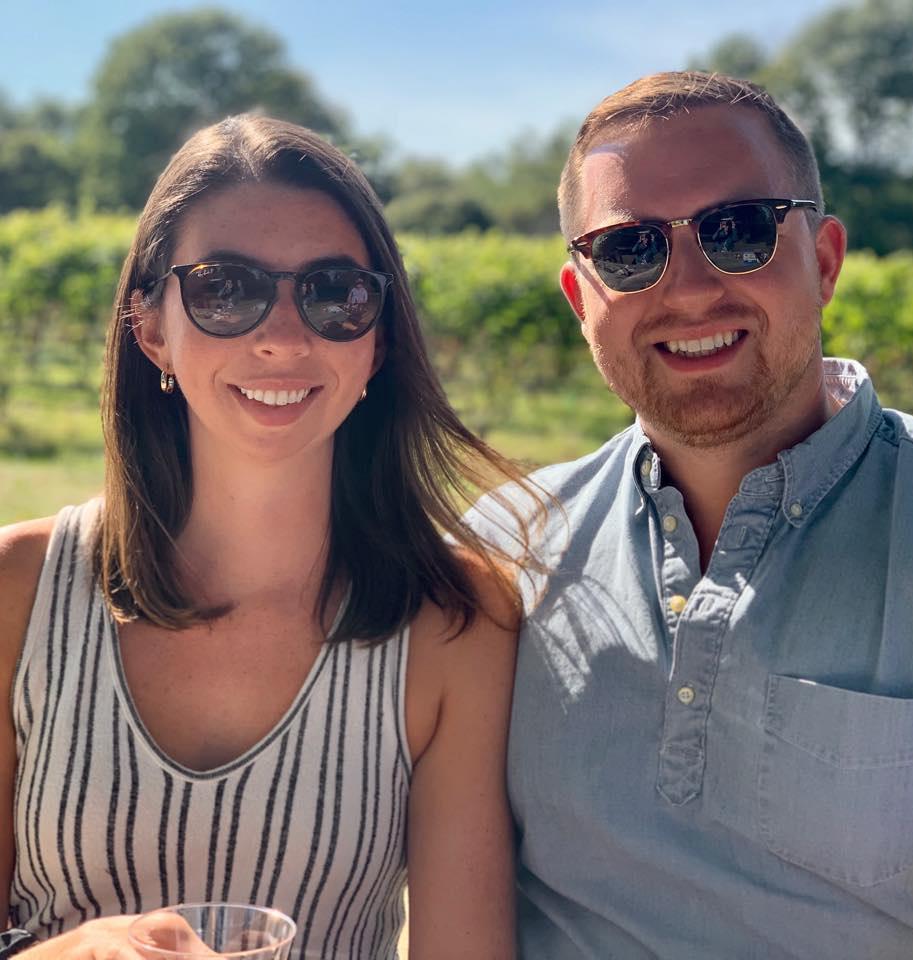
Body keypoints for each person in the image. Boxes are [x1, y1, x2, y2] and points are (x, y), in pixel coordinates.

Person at [0, 115, 540, 960]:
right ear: (150, 328)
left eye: (335, 293)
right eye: (225, 289)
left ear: (379, 339)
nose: (284, 338)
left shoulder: (457, 624)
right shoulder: (16, 591)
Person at [471, 71, 913, 958]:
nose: (691, 288)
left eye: (738, 231)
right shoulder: (503, 556)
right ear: (581, 300)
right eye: (630, 250)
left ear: (824, 261)